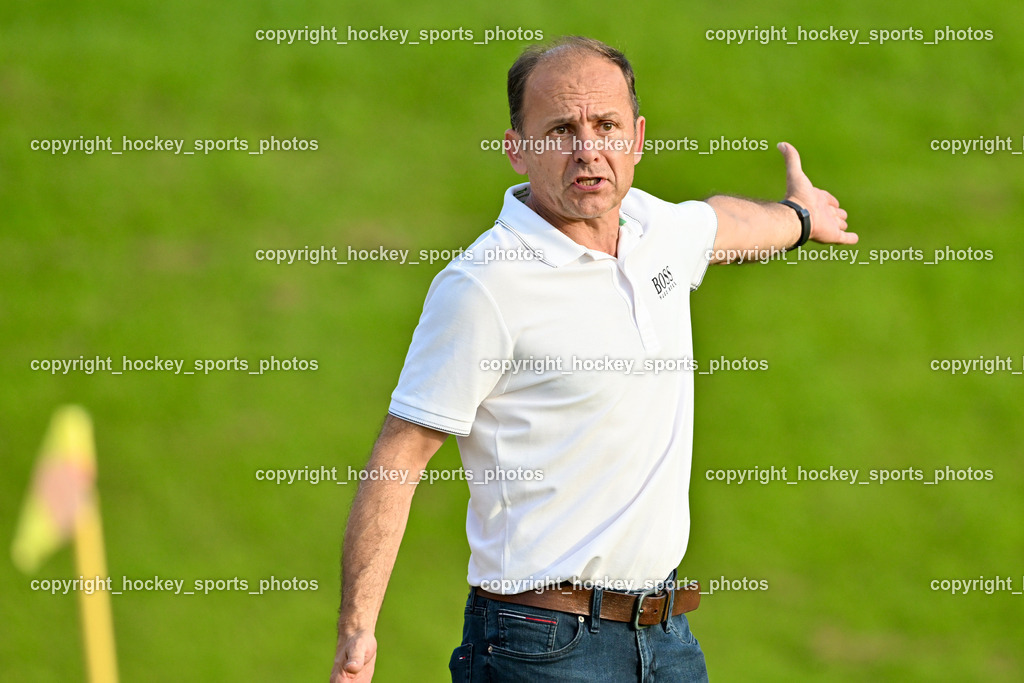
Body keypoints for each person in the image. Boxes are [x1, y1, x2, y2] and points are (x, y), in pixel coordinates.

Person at [329, 35, 855, 682]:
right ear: (517, 149)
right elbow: (399, 455)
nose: (588, 149)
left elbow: (723, 225)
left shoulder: (653, 228)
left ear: (635, 138)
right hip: (538, 647)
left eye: (606, 125)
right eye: (560, 129)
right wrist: (357, 632)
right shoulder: (484, 285)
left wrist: (801, 216)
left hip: (668, 642)